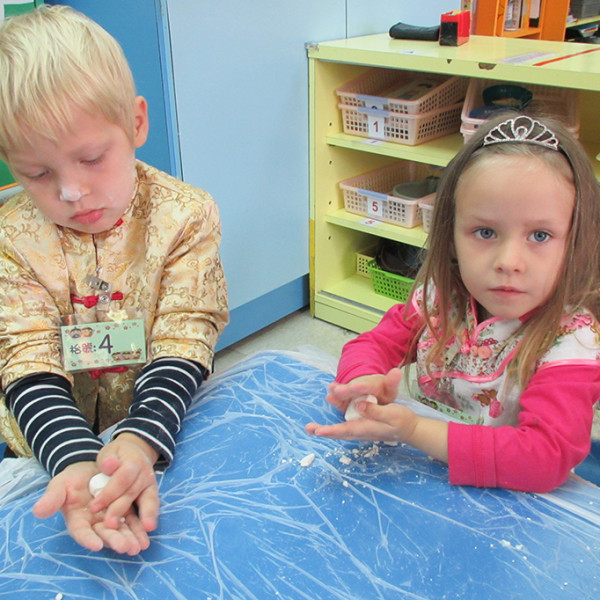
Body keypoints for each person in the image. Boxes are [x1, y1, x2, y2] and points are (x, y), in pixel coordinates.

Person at [0, 6, 228, 554]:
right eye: (37, 173)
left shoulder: (186, 216)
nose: (71, 192)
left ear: (136, 124)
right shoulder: (10, 238)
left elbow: (185, 334)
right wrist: (74, 458)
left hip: (153, 421)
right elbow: (25, 356)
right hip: (44, 438)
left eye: (92, 158)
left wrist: (140, 439)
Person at [306, 112, 600, 493]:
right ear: (451, 237)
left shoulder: (573, 341)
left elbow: (544, 457)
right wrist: (363, 384)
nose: (509, 262)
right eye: (485, 232)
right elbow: (372, 344)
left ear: (576, 243)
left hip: (511, 502)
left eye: (540, 235)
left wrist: (415, 429)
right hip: (429, 482)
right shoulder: (442, 298)